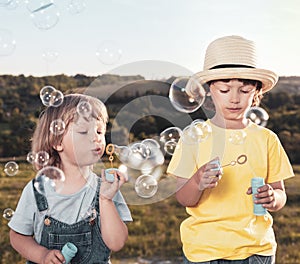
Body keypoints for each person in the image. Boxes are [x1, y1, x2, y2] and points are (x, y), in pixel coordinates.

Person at [167, 35, 295, 264]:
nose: (234, 99)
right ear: (209, 90)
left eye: (244, 91)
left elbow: (280, 194)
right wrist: (197, 182)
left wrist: (272, 197)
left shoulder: (267, 139)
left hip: (257, 252)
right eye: (225, 90)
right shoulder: (192, 137)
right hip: (204, 252)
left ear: (256, 91)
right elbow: (184, 198)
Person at [8, 93, 132, 264]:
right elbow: (18, 236)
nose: (96, 137)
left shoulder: (106, 188)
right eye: (83, 132)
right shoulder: (38, 190)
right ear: (57, 141)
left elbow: (117, 243)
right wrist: (42, 255)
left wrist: (105, 201)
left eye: (99, 131)